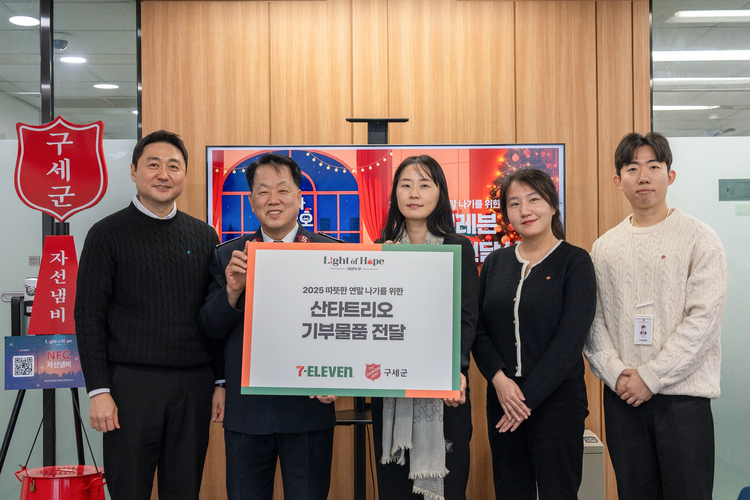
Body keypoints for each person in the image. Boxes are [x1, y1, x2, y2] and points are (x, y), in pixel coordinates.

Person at [74, 130, 224, 500]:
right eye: (153, 165)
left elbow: (215, 315)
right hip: (130, 387)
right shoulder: (106, 234)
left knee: (184, 490)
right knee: (128, 489)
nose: (163, 175)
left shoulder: (204, 236)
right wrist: (98, 390)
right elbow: (88, 317)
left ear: (184, 175)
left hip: (193, 386)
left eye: (173, 166)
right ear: (133, 171)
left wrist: (220, 381)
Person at [584, 132, 727, 500]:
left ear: (670, 175)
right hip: (624, 398)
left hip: (683, 400)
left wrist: (651, 377)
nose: (643, 177)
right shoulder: (604, 247)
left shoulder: (701, 238)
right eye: (632, 169)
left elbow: (704, 322)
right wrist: (618, 374)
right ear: (618, 181)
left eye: (653, 166)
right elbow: (593, 322)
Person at [200, 153, 339, 500]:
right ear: (251, 201)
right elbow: (209, 328)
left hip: (309, 410)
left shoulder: (331, 253)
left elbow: (345, 327)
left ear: (299, 197)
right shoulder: (228, 256)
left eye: (282, 189)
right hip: (247, 414)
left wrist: (339, 377)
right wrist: (232, 290)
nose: (273, 199)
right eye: (262, 191)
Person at [471, 168, 596, 500]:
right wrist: (499, 381)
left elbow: (571, 339)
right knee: (510, 489)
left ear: (552, 205)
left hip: (558, 401)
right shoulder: (495, 263)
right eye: (514, 203)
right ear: (506, 213)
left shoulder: (575, 262)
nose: (525, 210)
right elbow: (479, 330)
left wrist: (524, 401)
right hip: (503, 398)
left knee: (559, 491)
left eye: (534, 199)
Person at [371, 155, 478, 500]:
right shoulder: (380, 250)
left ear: (439, 193)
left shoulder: (458, 247)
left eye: (424, 185)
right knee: (394, 489)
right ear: (395, 194)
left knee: (450, 488)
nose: (414, 193)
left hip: (446, 390)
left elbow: (466, 317)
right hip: (391, 388)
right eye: (405, 185)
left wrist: (455, 369)